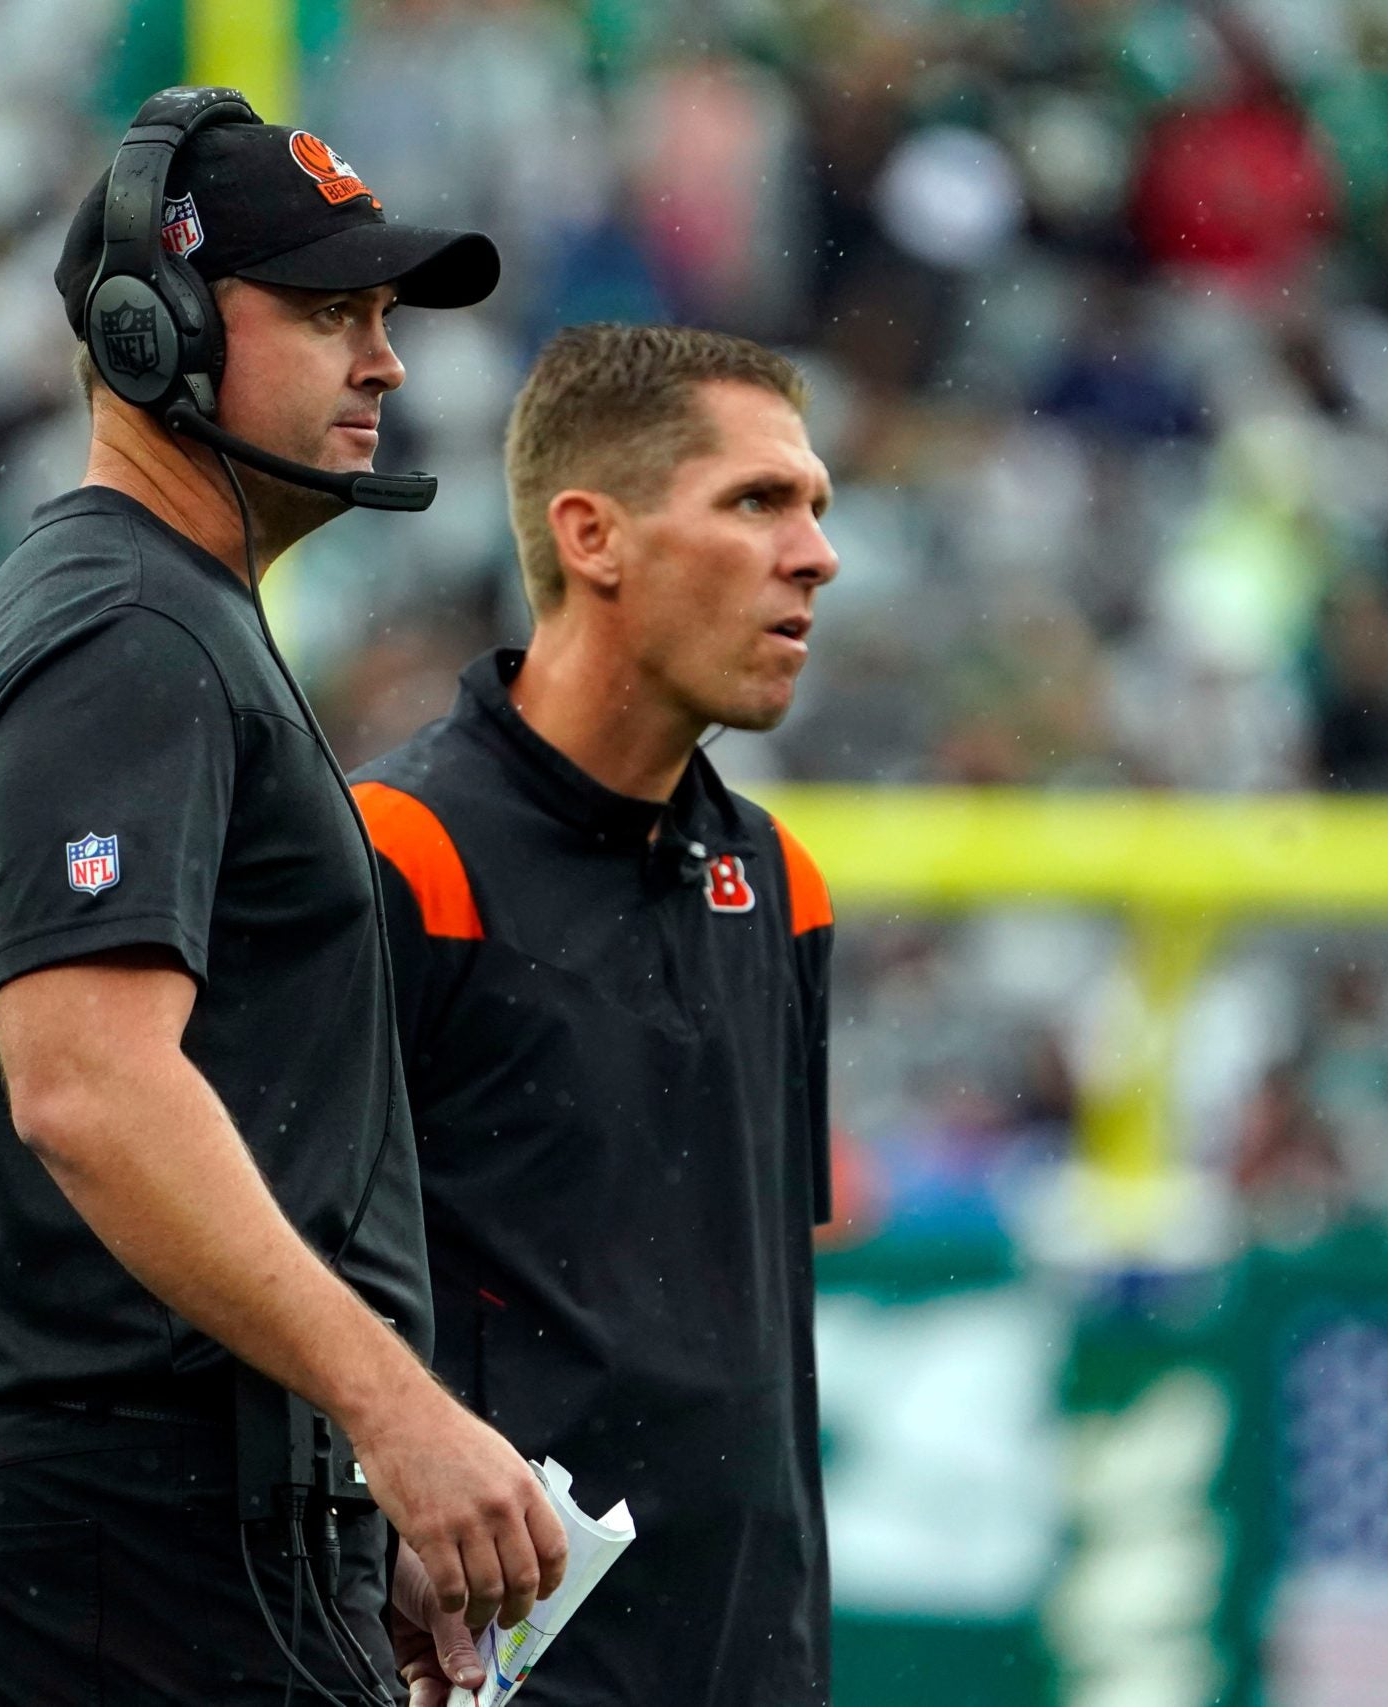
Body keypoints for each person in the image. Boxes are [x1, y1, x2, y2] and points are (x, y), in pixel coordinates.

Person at [0, 88, 564, 1707]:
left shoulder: (147, 614)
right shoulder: (135, 631)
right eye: (329, 312)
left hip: (166, 1511)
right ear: (150, 330)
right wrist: (392, 1420)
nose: (384, 360)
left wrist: (333, 1490)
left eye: (384, 314)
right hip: (144, 1514)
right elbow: (90, 1089)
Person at [354, 324, 841, 1707]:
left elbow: (747, 1343)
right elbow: (253, 1275)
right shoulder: (396, 855)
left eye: (815, 508)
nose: (815, 553)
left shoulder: (783, 881)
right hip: (468, 1677)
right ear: (592, 537)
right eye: (757, 503)